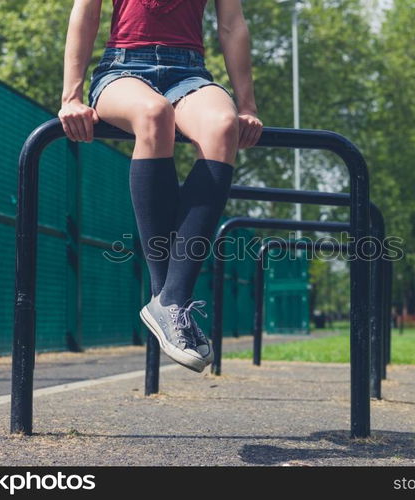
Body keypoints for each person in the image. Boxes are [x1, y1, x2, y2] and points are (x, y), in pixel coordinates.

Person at [58, 0, 263, 373]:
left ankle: (173, 298)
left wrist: (247, 105)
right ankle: (165, 297)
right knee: (155, 114)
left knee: (223, 124)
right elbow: (85, 12)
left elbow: (232, 23)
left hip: (191, 73)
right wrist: (70, 96)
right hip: (122, 71)